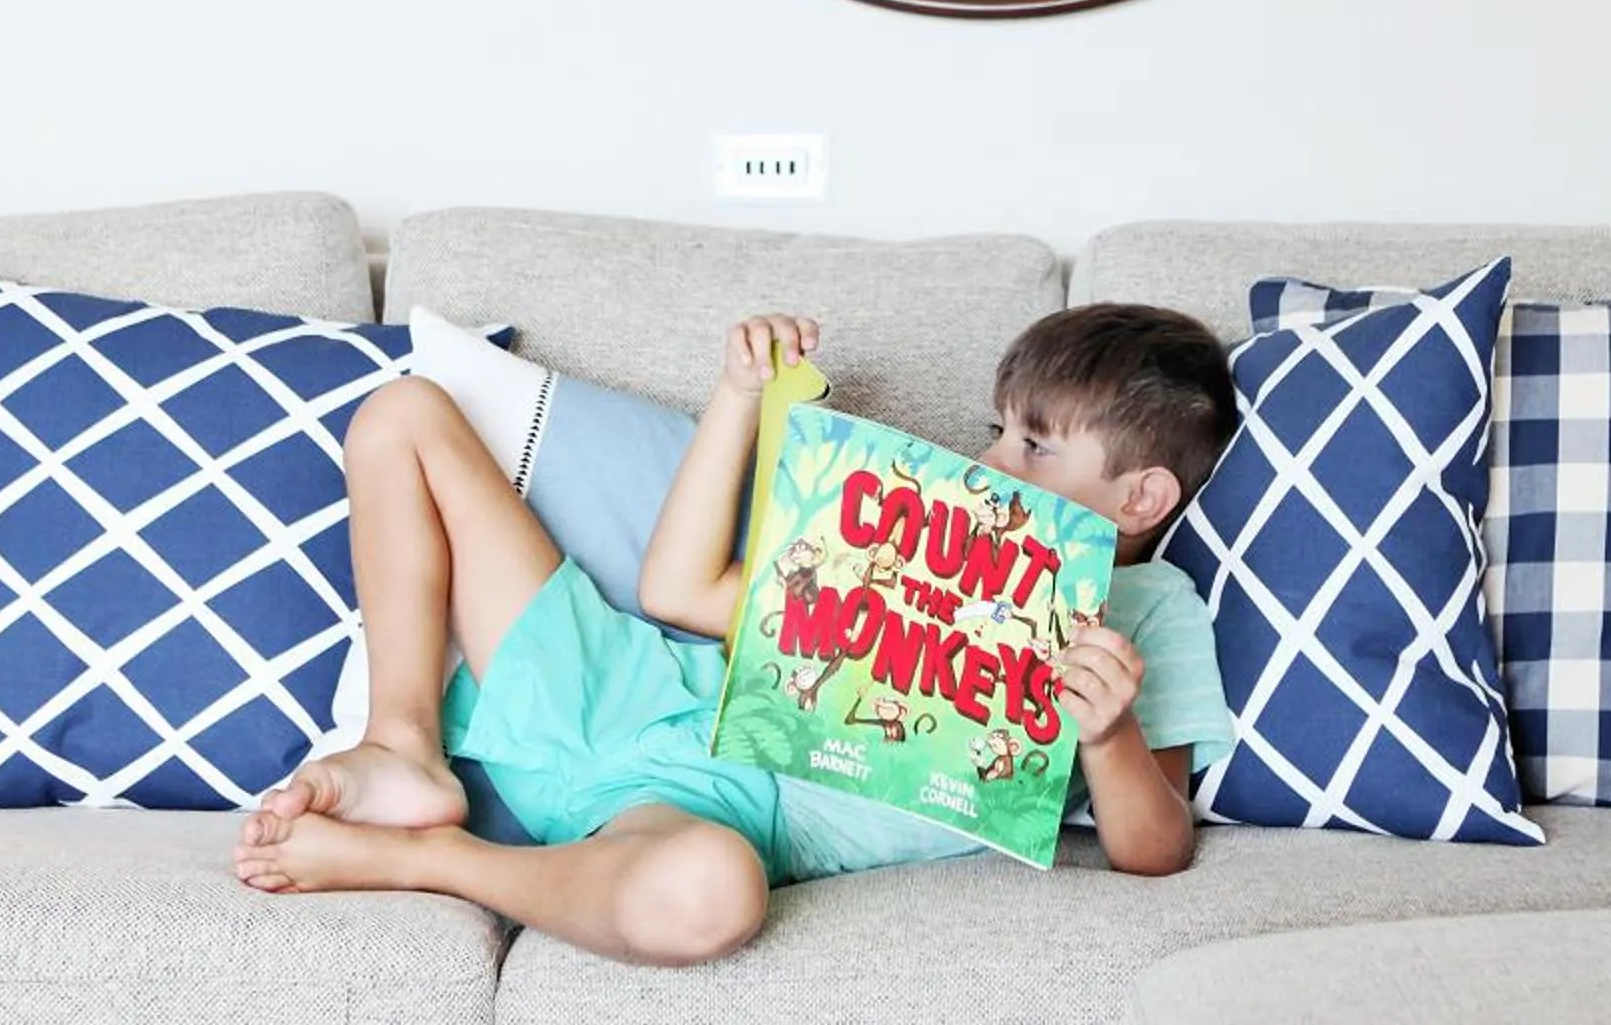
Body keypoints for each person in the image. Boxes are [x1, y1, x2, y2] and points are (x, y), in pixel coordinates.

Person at [229, 302, 1241, 965]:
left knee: (713, 894)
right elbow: (676, 588)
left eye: (1034, 443)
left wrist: (1105, 737)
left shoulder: (1155, 614)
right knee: (404, 413)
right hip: (623, 679)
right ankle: (405, 746)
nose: (988, 458)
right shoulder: (915, 539)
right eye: (998, 427)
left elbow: (1154, 849)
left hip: (706, 803)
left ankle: (431, 861)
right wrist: (738, 398)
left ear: (1142, 493)